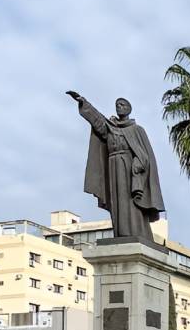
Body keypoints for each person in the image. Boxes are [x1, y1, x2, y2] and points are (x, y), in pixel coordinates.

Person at [67, 91, 165, 240]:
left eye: (122, 105)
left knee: (130, 202)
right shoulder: (111, 128)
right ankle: (121, 232)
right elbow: (99, 121)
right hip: (113, 165)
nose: (119, 107)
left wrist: (137, 165)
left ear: (128, 109)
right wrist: (84, 104)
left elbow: (145, 155)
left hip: (128, 168)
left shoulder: (137, 130)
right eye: (117, 105)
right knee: (117, 202)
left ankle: (136, 232)